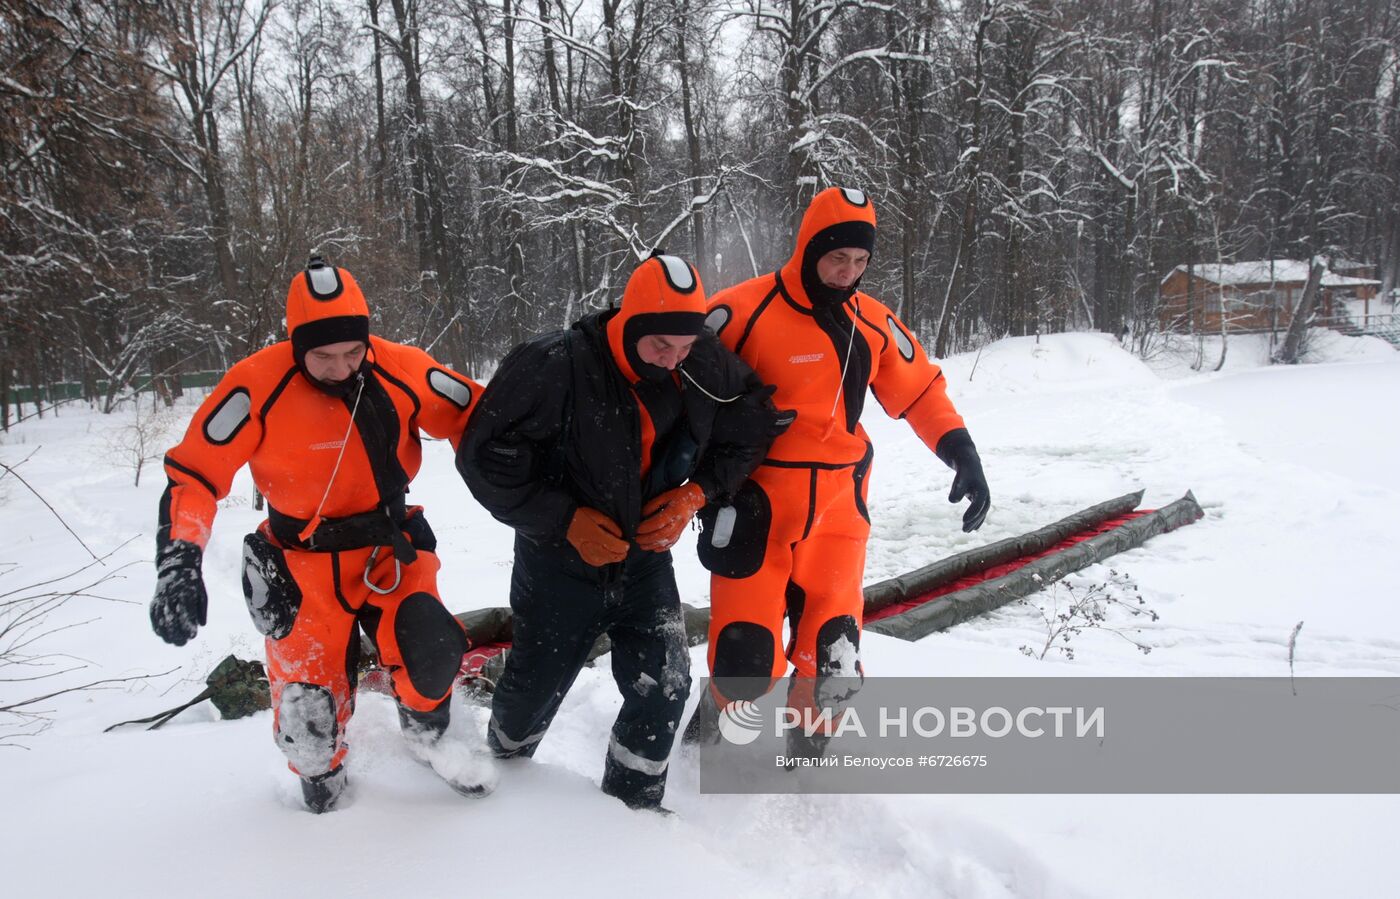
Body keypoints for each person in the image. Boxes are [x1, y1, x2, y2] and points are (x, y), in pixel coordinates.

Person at [149, 256, 494, 812]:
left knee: (431, 650)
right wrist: (179, 560)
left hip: (390, 548)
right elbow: (194, 473)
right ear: (295, 344)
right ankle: (321, 776)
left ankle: (430, 737)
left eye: (353, 353)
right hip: (300, 563)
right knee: (308, 713)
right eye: (324, 356)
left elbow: (479, 417)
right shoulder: (256, 386)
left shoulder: (400, 368)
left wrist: (517, 476)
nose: (341, 368)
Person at [456, 253, 784, 811]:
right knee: (531, 694)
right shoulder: (552, 365)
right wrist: (563, 519)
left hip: (645, 561)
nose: (674, 361)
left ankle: (632, 810)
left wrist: (695, 494)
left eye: (685, 348)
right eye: (661, 348)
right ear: (629, 323)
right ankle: (498, 802)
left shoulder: (696, 359)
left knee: (667, 685)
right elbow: (483, 459)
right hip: (557, 566)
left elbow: (752, 425)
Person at [687, 186, 990, 746]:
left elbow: (920, 390)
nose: (847, 272)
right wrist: (721, 438)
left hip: (838, 513)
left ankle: (810, 769)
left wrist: (961, 452)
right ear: (807, 249)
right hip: (756, 506)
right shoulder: (741, 311)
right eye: (835, 258)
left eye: (859, 261)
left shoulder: (873, 322)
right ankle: (705, 756)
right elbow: (674, 378)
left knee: (834, 658)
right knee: (744, 656)